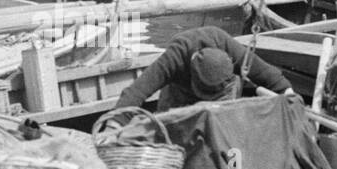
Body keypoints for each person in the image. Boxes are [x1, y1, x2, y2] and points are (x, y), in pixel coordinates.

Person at [115, 26, 292, 112]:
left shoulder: (228, 47)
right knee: (175, 140)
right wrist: (113, 126)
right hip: (180, 101)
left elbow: (267, 75)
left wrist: (290, 95)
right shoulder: (177, 55)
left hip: (221, 105)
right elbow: (136, 92)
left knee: (227, 142)